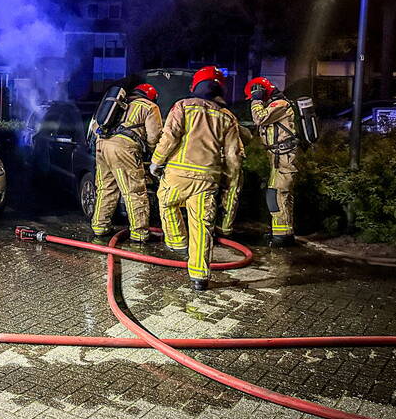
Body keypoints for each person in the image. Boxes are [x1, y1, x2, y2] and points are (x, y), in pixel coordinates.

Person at [149, 66, 243, 291]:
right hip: (207, 179)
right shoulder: (227, 117)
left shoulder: (183, 106)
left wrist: (156, 162)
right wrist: (230, 181)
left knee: (166, 202)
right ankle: (199, 277)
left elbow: (170, 137)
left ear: (196, 85)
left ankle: (177, 242)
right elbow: (233, 155)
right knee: (202, 225)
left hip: (177, 175)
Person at [90, 83, 163, 243]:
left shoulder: (118, 104)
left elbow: (96, 127)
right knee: (134, 192)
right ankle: (139, 234)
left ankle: (100, 227)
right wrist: (153, 154)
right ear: (152, 97)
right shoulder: (149, 106)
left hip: (102, 145)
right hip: (123, 149)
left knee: (105, 188)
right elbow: (154, 136)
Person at [244, 76, 297, 247]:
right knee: (281, 195)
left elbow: (259, 118)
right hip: (279, 157)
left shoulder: (280, 104)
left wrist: (256, 100)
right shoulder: (276, 105)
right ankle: (283, 232)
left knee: (277, 194)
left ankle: (282, 237)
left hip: (284, 158)